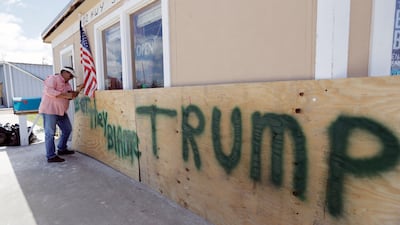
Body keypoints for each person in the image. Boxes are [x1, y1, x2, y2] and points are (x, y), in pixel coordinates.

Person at [39, 66, 83, 163]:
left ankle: (62, 149)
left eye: (72, 76)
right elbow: (49, 91)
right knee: (50, 133)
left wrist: (77, 91)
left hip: (61, 111)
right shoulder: (53, 78)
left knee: (67, 129)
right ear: (64, 72)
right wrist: (65, 95)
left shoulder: (68, 85)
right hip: (49, 110)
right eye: (70, 74)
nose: (71, 77)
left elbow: (70, 97)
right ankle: (51, 156)